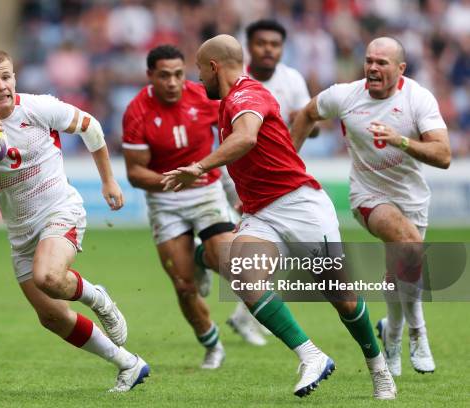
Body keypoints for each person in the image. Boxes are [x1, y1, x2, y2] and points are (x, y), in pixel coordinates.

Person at [162, 34, 397, 400]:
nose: (198, 79)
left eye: (198, 70)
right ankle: (311, 355)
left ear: (213, 67)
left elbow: (246, 138)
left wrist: (199, 166)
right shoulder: (227, 103)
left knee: (341, 296)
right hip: (262, 212)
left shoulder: (247, 95)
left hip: (299, 205)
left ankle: (378, 367)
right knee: (240, 271)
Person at [0, 49, 150, 392]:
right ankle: (128, 363)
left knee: (49, 277)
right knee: (51, 317)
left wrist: (109, 180)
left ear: (14, 78)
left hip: (59, 209)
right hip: (20, 231)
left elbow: (91, 127)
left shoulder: (37, 107)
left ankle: (98, 298)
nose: (1, 85)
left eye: (6, 77)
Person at [291, 37, 450, 377]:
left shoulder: (418, 99)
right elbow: (306, 113)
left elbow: (444, 155)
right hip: (368, 195)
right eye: (369, 61)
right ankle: (418, 332)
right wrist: (288, 160)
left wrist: (400, 140)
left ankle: (391, 334)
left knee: (401, 270)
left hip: (413, 198)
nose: (374, 68)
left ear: (400, 69)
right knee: (407, 245)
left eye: (382, 62)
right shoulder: (345, 95)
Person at [122, 45, 239, 369]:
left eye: (178, 74)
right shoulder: (136, 111)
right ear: (150, 76)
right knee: (185, 284)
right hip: (165, 202)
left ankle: (203, 253)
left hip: (206, 192)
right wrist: (173, 180)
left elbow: (234, 137)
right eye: (164, 75)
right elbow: (135, 172)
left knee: (230, 262)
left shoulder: (204, 97)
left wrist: (232, 186)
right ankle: (212, 344)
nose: (173, 82)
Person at [225, 19, 321, 343]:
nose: (268, 49)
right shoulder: (236, 82)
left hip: (278, 180)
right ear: (249, 47)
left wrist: (298, 119)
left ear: (282, 48)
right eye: (261, 43)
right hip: (240, 176)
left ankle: (244, 314)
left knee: (268, 247)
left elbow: (313, 124)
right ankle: (204, 259)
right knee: (245, 246)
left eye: (275, 44)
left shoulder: (291, 79)